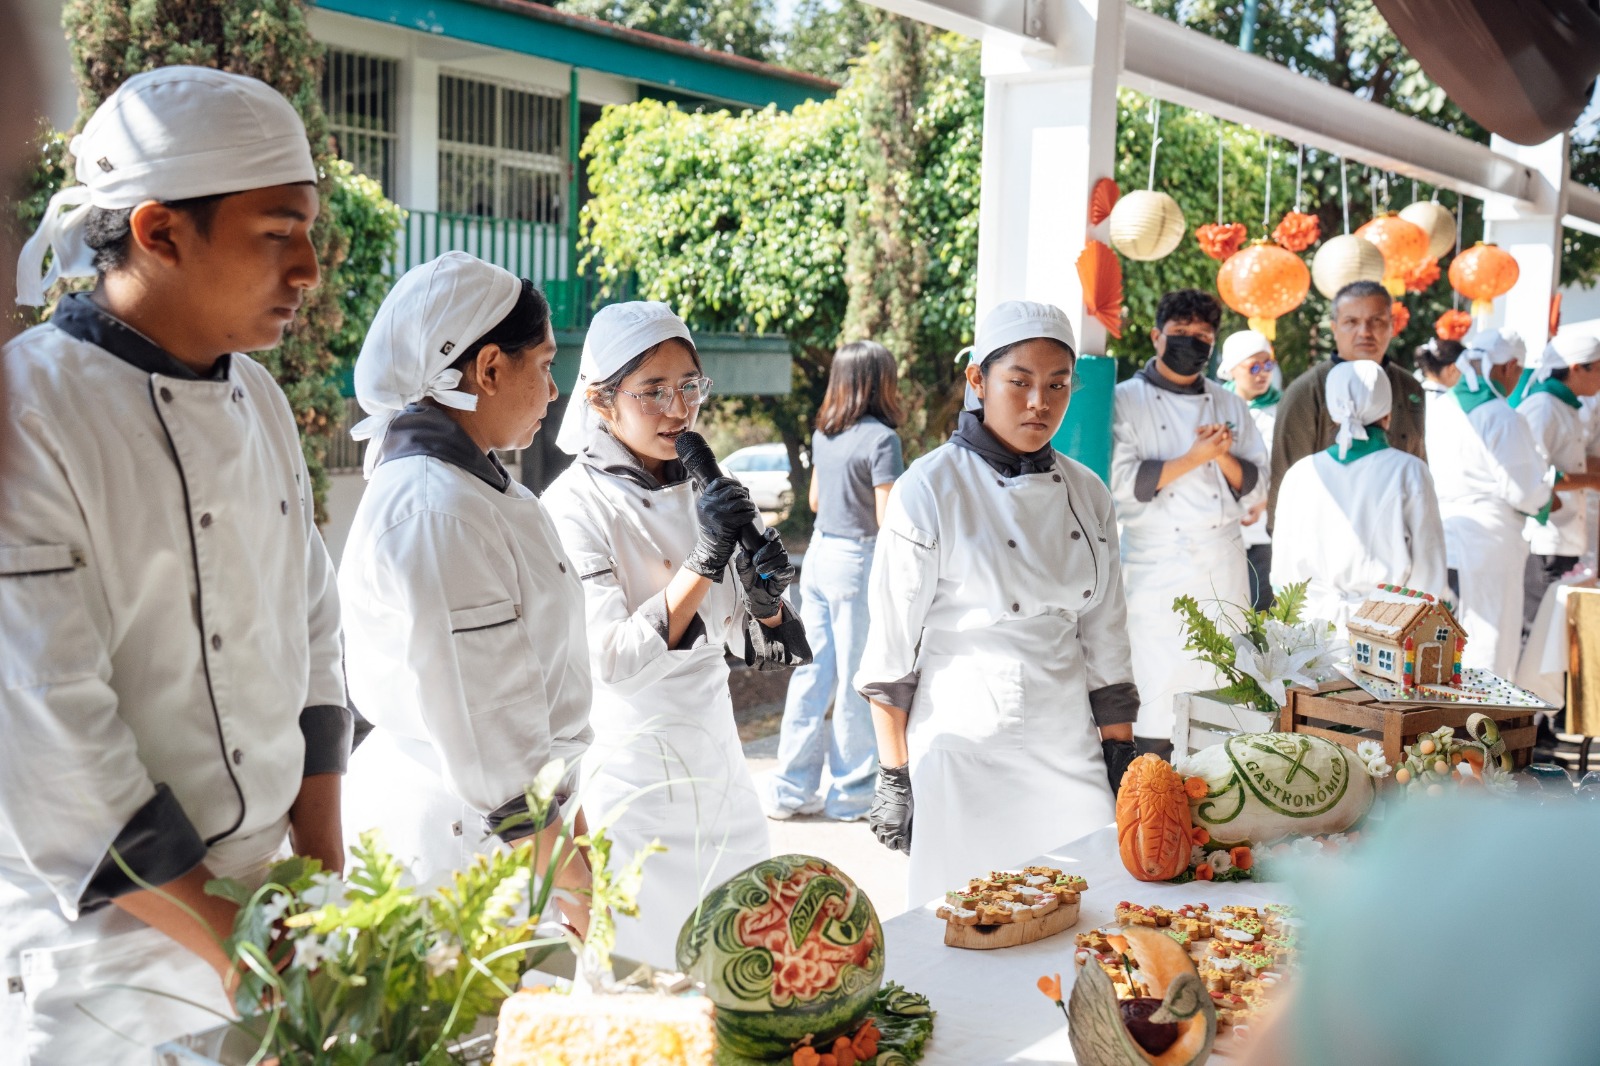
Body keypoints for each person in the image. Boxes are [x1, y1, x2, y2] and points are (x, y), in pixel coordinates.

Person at [0, 68, 348, 1063]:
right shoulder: (29, 414)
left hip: (266, 919)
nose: (308, 268)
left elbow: (311, 629)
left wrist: (321, 878)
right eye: (278, 232)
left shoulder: (260, 400)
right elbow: (47, 726)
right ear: (159, 231)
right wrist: (232, 935)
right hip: (101, 948)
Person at [542, 302, 808, 966]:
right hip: (631, 773)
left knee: (746, 959)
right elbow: (612, 658)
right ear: (601, 401)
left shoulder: (710, 488)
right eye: (653, 391)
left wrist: (767, 603)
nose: (678, 409)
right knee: (646, 973)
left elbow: (767, 647)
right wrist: (707, 557)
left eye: (689, 386)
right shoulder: (571, 506)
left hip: (718, 759)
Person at [856, 300, 1140, 907]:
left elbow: (1106, 633)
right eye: (1020, 382)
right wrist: (893, 773)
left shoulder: (1088, 491)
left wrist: (1119, 752)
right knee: (963, 914)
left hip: (1066, 737)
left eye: (1058, 385)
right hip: (964, 741)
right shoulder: (928, 486)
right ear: (978, 381)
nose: (1040, 402)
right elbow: (891, 649)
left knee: (1089, 906)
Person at [337, 253, 592, 927]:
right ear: (489, 369)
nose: (554, 391)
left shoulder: (478, 493)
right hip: (463, 839)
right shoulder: (436, 510)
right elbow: (491, 728)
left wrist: (573, 826)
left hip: (520, 832)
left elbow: (543, 696)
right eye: (544, 365)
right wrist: (572, 880)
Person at [1111, 290, 1267, 757]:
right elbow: (1122, 482)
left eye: (1202, 335)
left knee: (1221, 679)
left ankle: (1218, 775)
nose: (1191, 342)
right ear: (1157, 336)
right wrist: (1195, 456)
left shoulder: (1229, 403)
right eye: (1180, 332)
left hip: (1221, 559)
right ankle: (1147, 772)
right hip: (1155, 560)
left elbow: (1256, 487)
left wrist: (1221, 457)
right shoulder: (1126, 399)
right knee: (1155, 680)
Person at [760, 340, 905, 822]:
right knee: (855, 681)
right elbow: (887, 518)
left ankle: (790, 790)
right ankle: (852, 793)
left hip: (819, 557)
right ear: (878, 383)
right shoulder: (883, 440)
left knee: (811, 674)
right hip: (858, 560)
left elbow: (817, 502)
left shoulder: (825, 433)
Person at [1272, 361, 1448, 627]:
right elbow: (1429, 568)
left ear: (1333, 413)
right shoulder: (1409, 471)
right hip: (1388, 628)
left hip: (1312, 627)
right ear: (1388, 413)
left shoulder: (1301, 473)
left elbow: (1283, 571)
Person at [1420, 334, 1549, 678]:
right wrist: (1548, 496)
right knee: (1489, 646)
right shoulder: (1502, 416)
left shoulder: (1441, 407)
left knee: (1447, 646)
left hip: (1446, 541)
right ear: (1510, 366)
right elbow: (1524, 492)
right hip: (1490, 546)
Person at [1268, 280, 1428, 532]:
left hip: (1395, 530)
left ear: (1392, 326)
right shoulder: (1306, 391)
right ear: (1334, 328)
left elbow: (1417, 457)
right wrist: (1282, 538)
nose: (1365, 332)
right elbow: (1286, 475)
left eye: (1376, 321)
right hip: (1328, 531)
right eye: (1351, 322)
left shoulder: (1409, 387)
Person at [1514, 331, 1600, 631]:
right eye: (1598, 368)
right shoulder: (1542, 407)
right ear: (1576, 368)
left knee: (1554, 634)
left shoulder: (1566, 406)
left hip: (1566, 538)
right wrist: (1591, 481)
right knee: (1535, 628)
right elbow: (1535, 476)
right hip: (1544, 538)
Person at [1217, 329, 1281, 610]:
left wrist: (1266, 500)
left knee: (1259, 613)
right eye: (1254, 366)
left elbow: (1287, 466)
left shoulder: (1282, 409)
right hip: (1218, 529)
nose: (1263, 373)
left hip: (1264, 532)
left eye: (1268, 365)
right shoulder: (1214, 406)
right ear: (1231, 369)